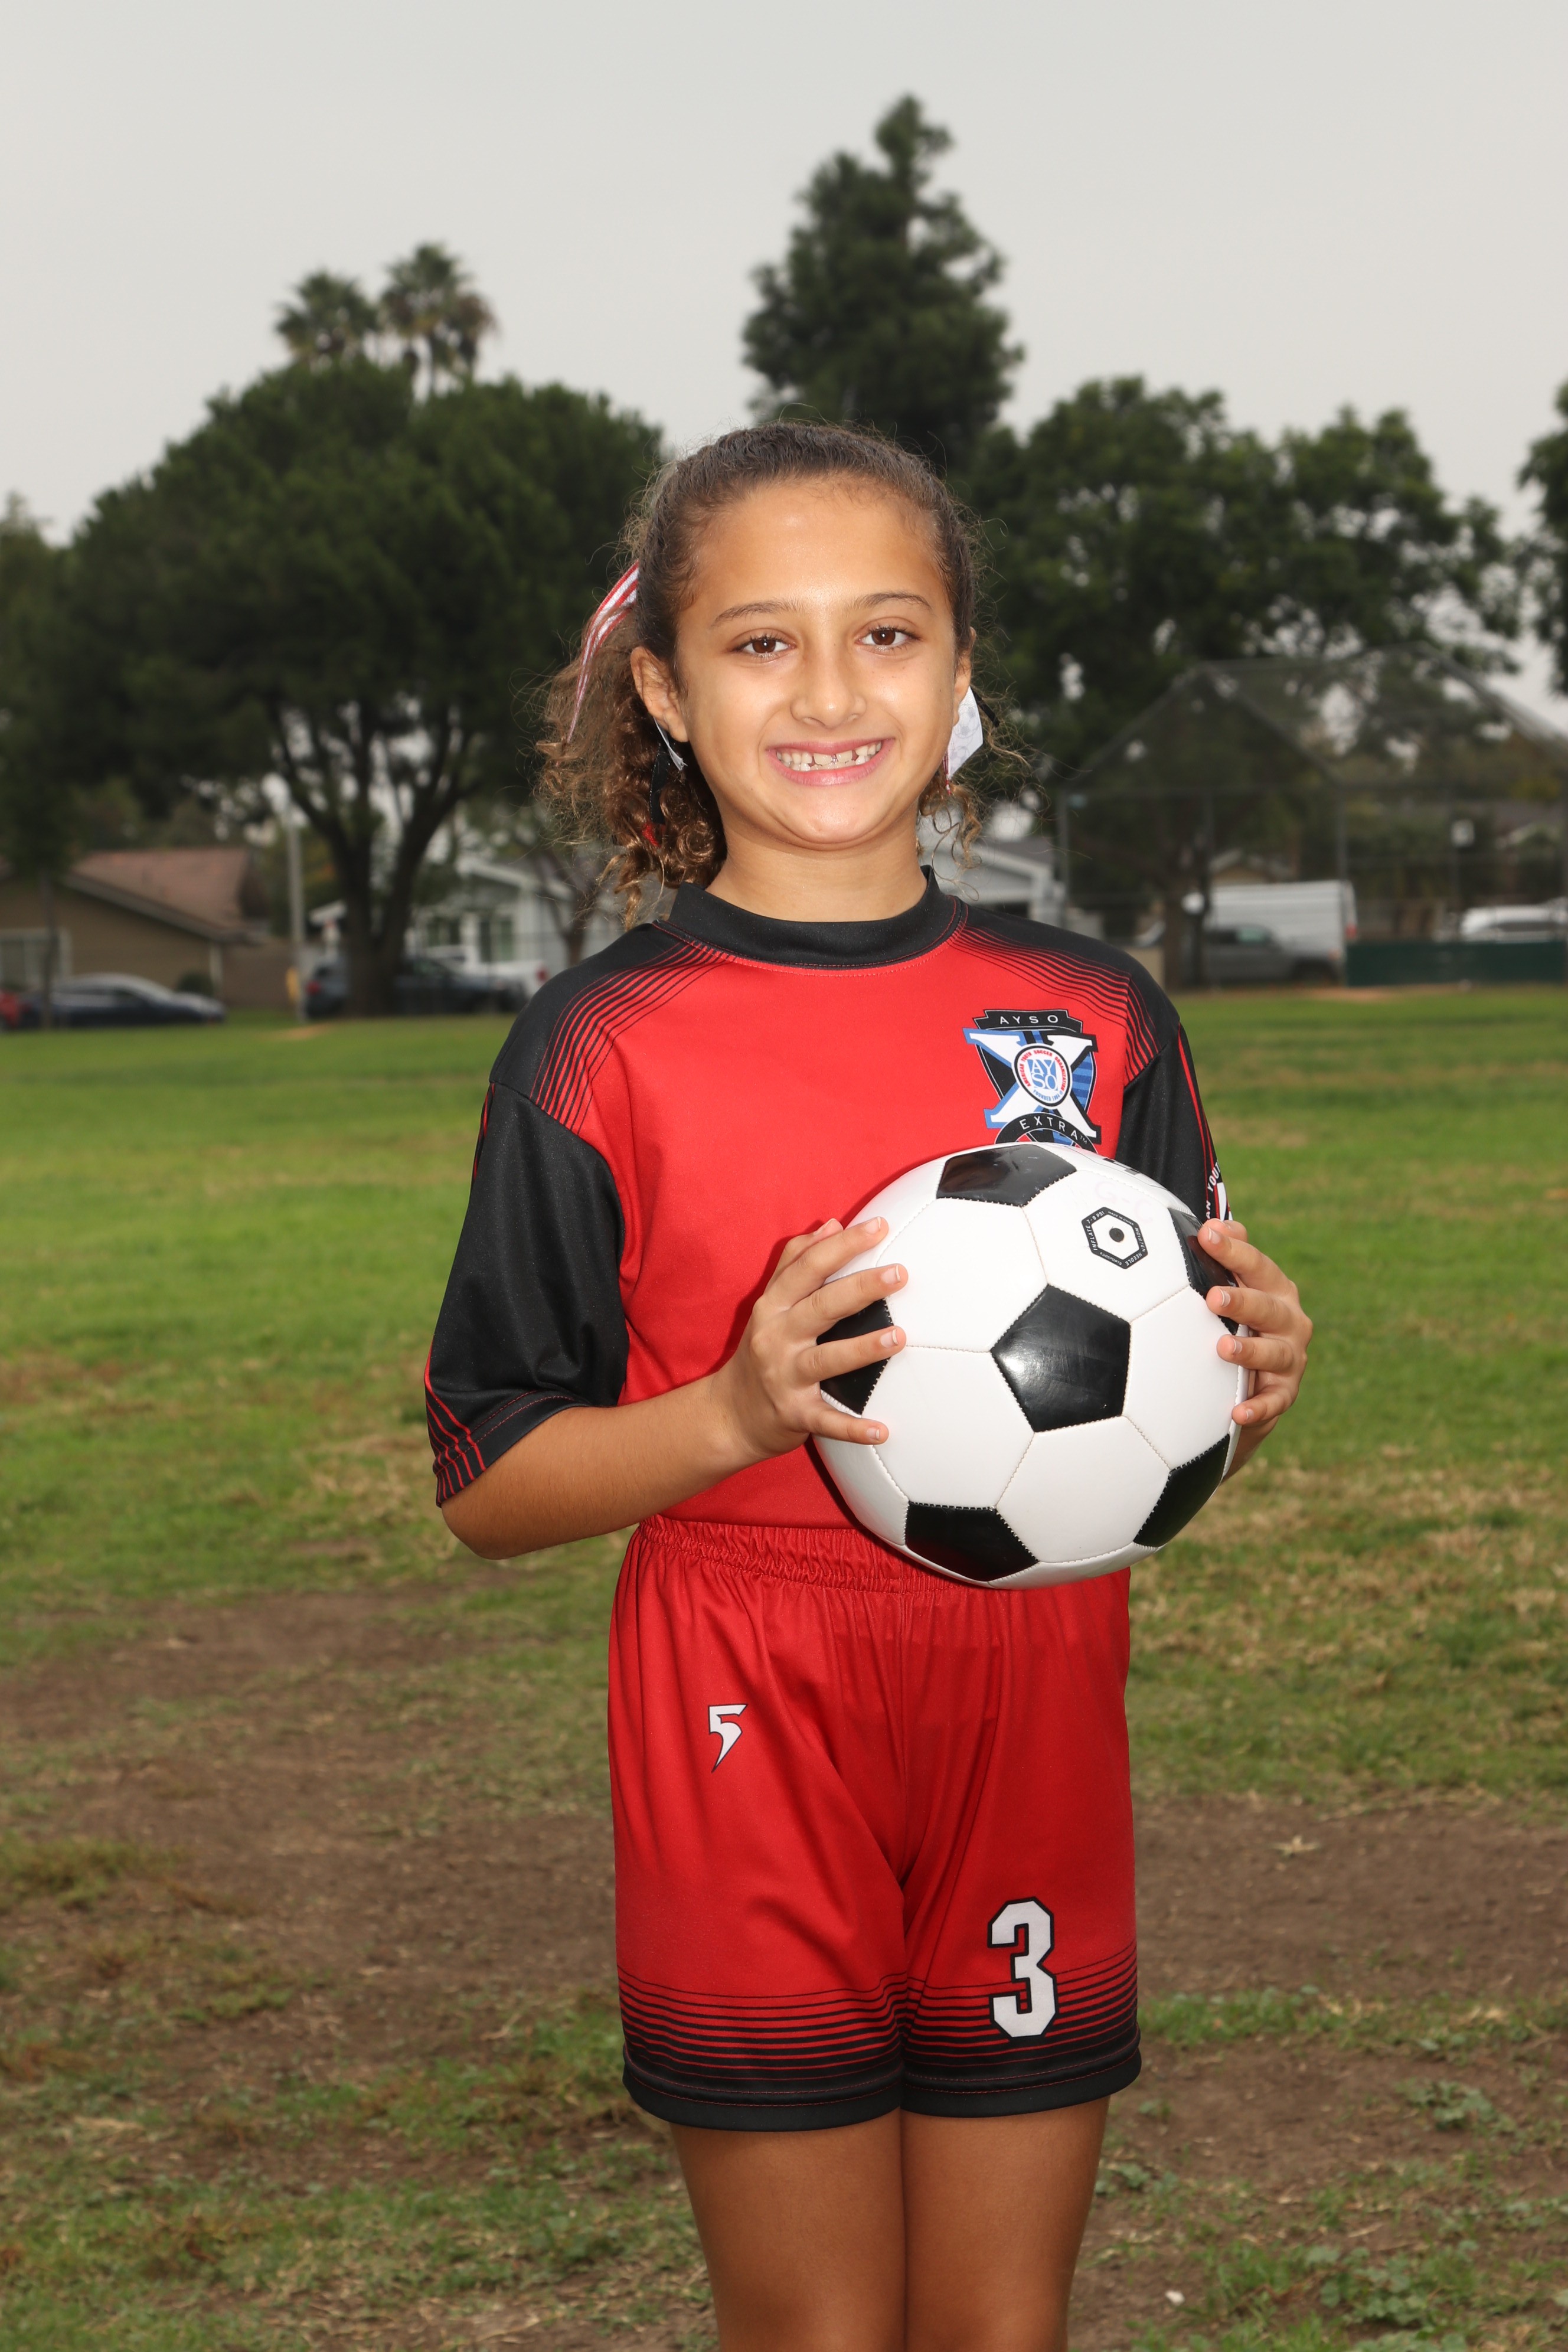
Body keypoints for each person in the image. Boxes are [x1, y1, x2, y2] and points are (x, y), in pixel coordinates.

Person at [426, 423, 1312, 2352]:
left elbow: (1159, 1416)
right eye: (762, 643)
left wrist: (1251, 1380)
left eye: (887, 633)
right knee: (819, 2332)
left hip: (1032, 1688)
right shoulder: (601, 1044)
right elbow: (490, 1478)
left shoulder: (1099, 1015)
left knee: (1000, 2327)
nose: (830, 693)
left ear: (961, 666)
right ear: (667, 692)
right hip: (745, 1694)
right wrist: (732, 1418)